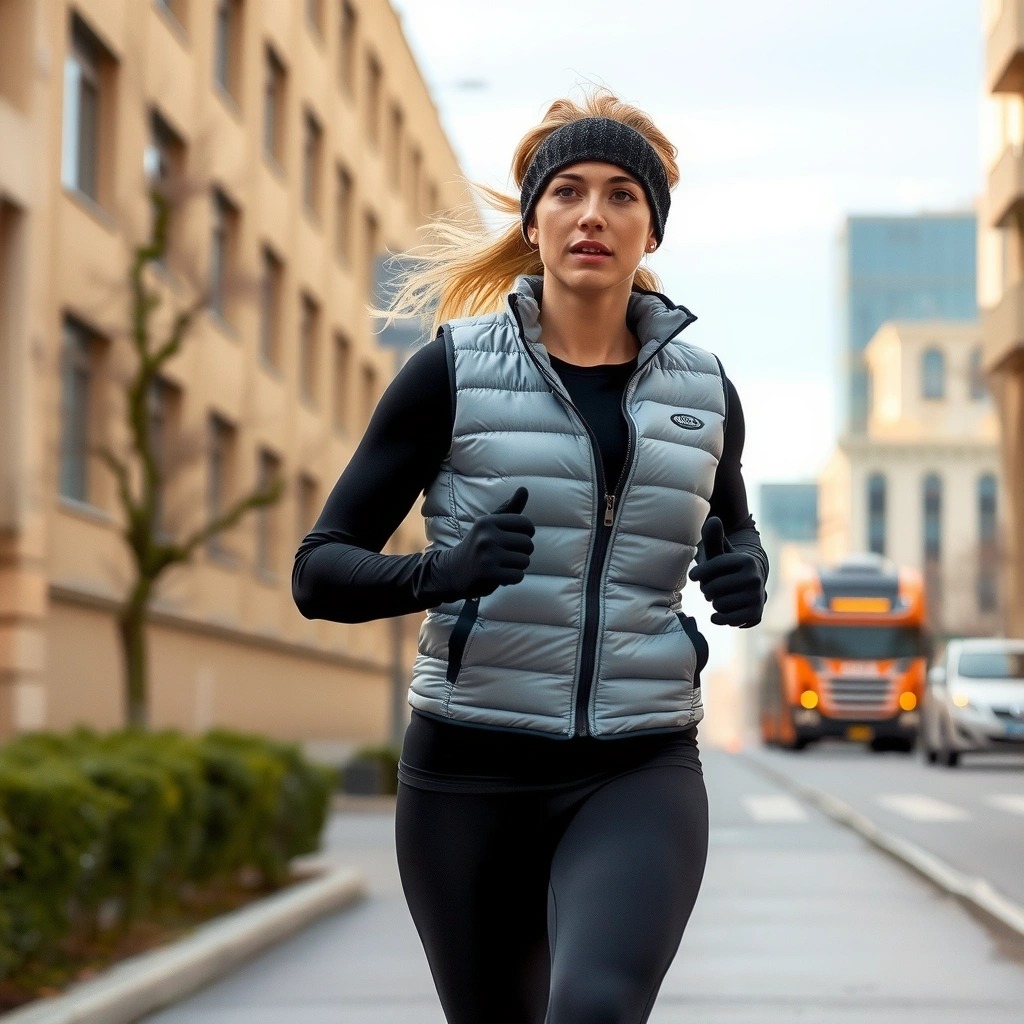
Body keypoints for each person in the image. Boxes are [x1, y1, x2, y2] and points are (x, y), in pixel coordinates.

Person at [293, 88, 769, 1024]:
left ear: (652, 231)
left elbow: (735, 535)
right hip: (468, 769)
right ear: (533, 221)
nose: (593, 214)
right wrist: (442, 573)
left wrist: (745, 578)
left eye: (623, 194)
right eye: (568, 191)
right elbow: (319, 571)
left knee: (596, 1006)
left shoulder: (705, 391)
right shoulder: (451, 371)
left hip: (639, 762)